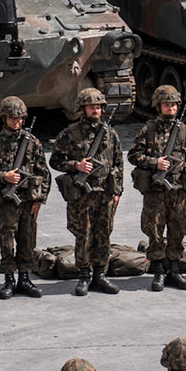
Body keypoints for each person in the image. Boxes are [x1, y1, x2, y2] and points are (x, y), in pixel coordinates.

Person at [51, 86, 124, 295]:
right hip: (82, 194)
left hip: (105, 193)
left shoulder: (110, 134)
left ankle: (100, 274)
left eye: (98, 107)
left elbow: (118, 163)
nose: (96, 110)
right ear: (82, 109)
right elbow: (55, 161)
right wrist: (77, 165)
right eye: (91, 107)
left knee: (104, 234)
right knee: (83, 234)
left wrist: (117, 191)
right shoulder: (70, 134)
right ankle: (84, 274)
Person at [0, 96, 49, 299]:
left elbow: (43, 173)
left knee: (27, 240)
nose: (16, 122)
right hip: (6, 202)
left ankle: (24, 278)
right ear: (3, 118)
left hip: (27, 200)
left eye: (19, 118)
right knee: (6, 241)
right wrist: (4, 176)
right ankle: (9, 279)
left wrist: (39, 200)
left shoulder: (32, 142)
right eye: (12, 118)